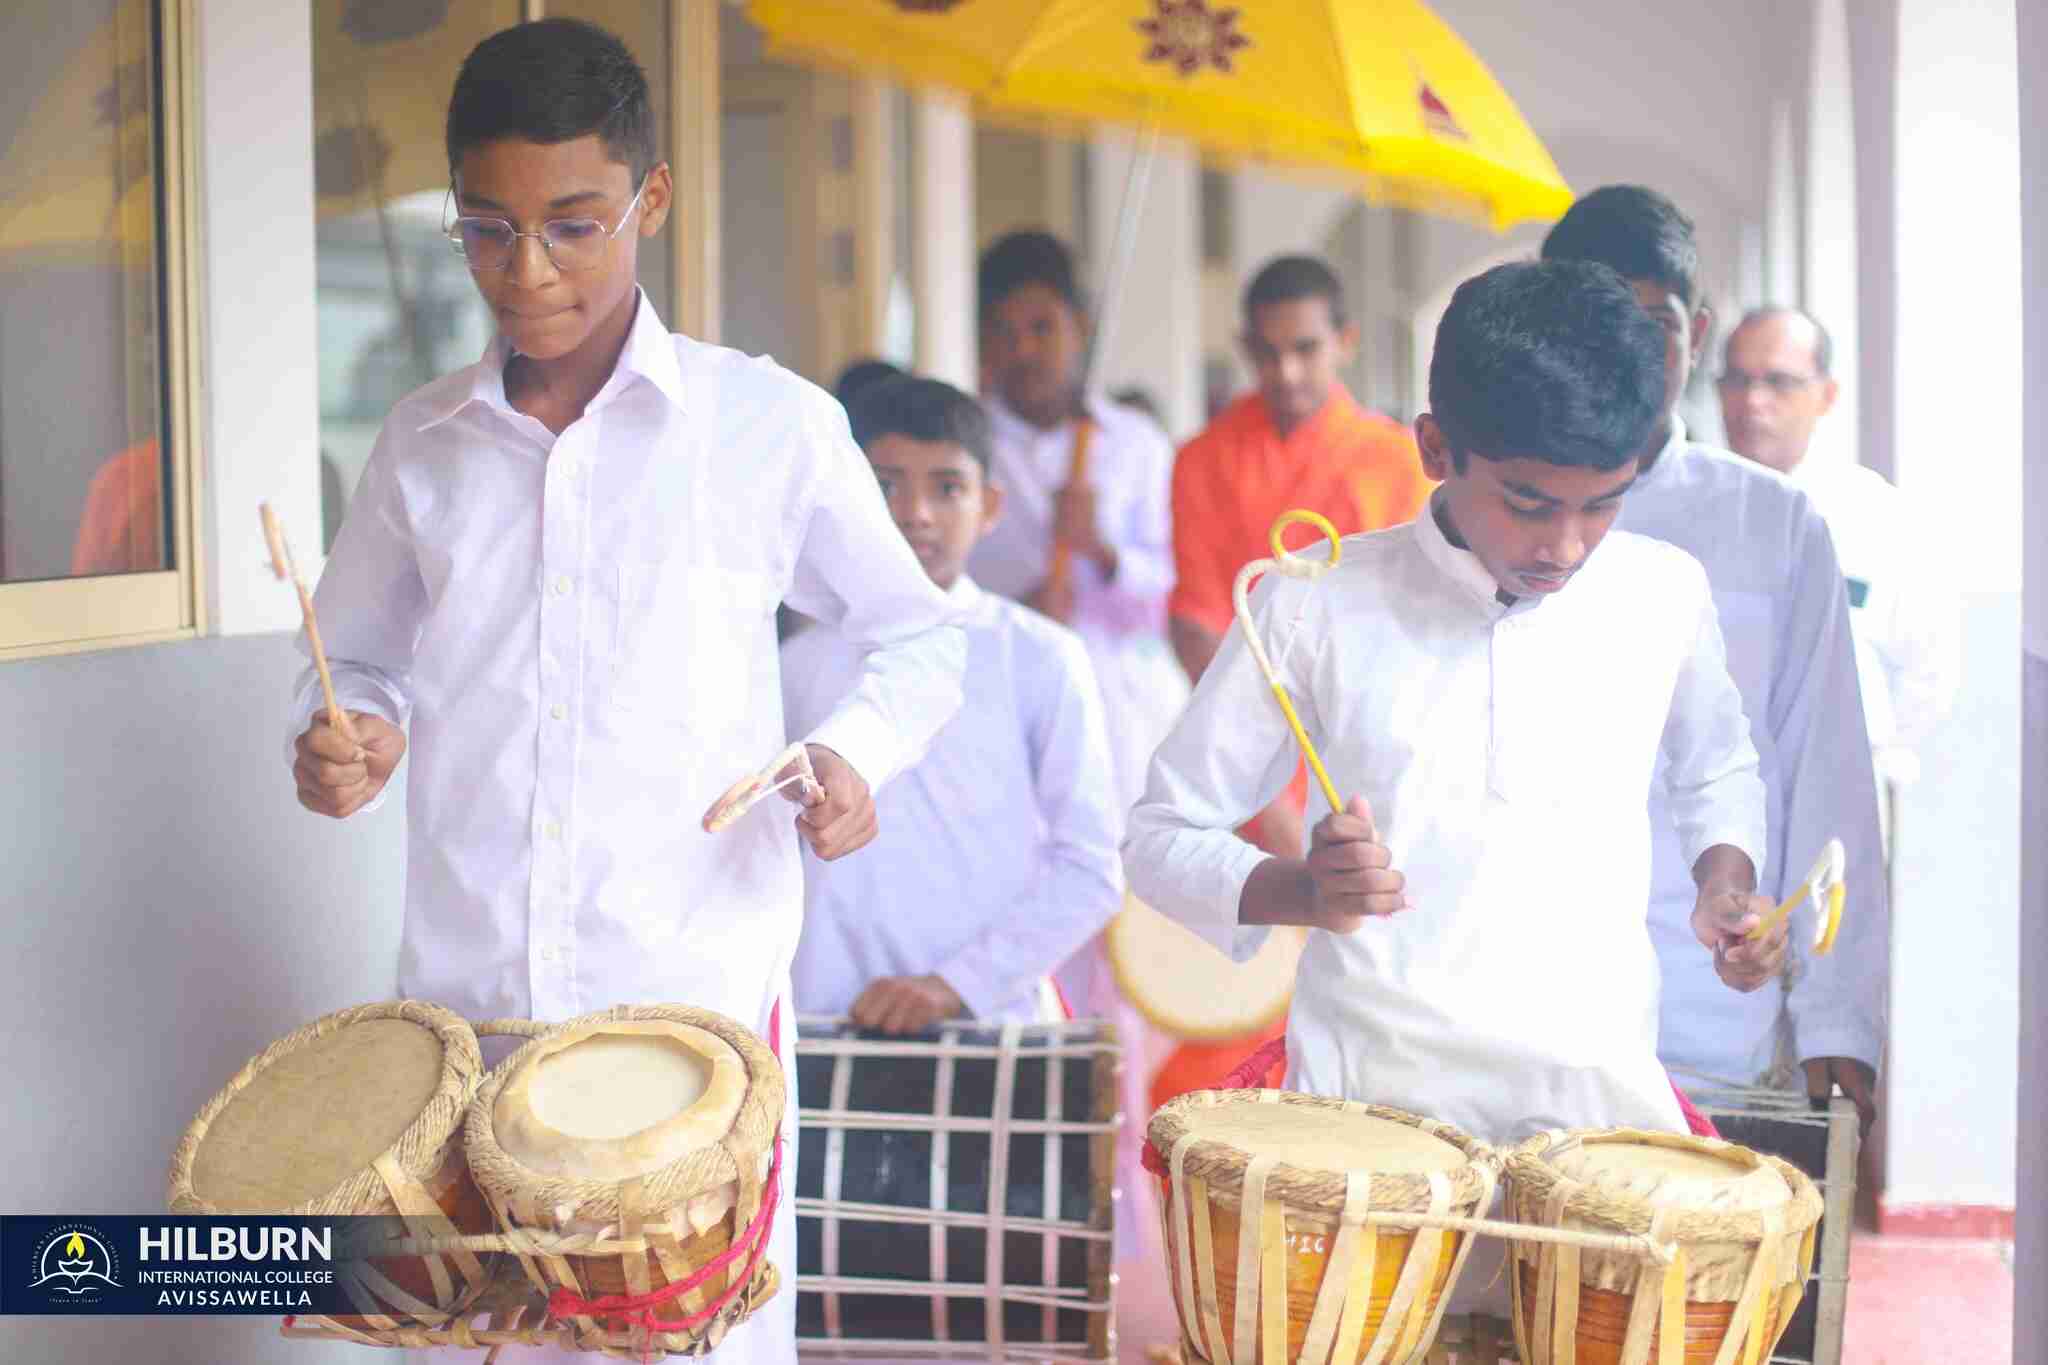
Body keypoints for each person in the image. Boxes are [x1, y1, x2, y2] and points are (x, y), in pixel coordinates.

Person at [285, 21, 966, 1364]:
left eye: (573, 225)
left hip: (691, 1034)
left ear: (652, 200)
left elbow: (920, 639)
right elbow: (356, 656)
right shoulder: (420, 442)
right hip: (472, 1022)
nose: (526, 272)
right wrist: (349, 731)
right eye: (485, 231)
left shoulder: (766, 426)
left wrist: (852, 756)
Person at [1125, 258, 1781, 1312]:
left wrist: (1724, 879)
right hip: (1366, 1126)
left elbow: (1718, 769)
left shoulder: (1661, 593)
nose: (1563, 544)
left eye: (1600, 505)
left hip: (1592, 1115)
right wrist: (1301, 890)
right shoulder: (1317, 604)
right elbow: (1159, 837)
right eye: (1527, 502)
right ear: (1434, 446)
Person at [1542, 186, 1886, 1126]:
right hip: (1527, 1003)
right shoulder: (1496, 513)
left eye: (1648, 322)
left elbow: (1829, 768)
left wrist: (1836, 1014)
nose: (1619, 350)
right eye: (1593, 318)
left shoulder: (1772, 523)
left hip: (1713, 999)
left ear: (1694, 331)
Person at [784, 376, 1121, 1033]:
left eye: (947, 487)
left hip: (992, 1028)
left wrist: (953, 985)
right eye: (885, 486)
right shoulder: (794, 665)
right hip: (819, 1020)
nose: (916, 512)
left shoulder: (1039, 657)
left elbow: (1091, 867)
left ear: (990, 504)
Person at [1168, 254, 1432, 856]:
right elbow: (1197, 625)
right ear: (1243, 348)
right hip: (1244, 756)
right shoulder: (1203, 460)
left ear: (1345, 342)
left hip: (1380, 743)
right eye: (1266, 353)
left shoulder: (1397, 462)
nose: (1285, 372)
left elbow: (1420, 627)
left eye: (1306, 349)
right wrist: (1265, 796)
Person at [970, 229, 1186, 811]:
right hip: (1000, 701)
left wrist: (1101, 551)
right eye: (1003, 331)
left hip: (1121, 712)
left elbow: (1170, 591)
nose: (1023, 351)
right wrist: (1016, 609)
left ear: (1079, 326)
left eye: (1042, 328)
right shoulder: (967, 444)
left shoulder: (1134, 444)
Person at [1717, 307, 1958, 796]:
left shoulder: (1878, 517)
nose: (1753, 401)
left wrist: (1866, 756)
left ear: (1826, 395)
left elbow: (1928, 672)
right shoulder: (1691, 510)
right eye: (1738, 381)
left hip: (1838, 794)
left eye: (1779, 382)